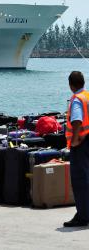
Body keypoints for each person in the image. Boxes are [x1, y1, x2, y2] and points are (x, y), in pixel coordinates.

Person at [64, 71, 89, 227]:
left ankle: (83, 216)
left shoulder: (77, 100)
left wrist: (74, 140)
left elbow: (77, 120)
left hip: (81, 144)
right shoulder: (87, 96)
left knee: (80, 180)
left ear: (71, 85)